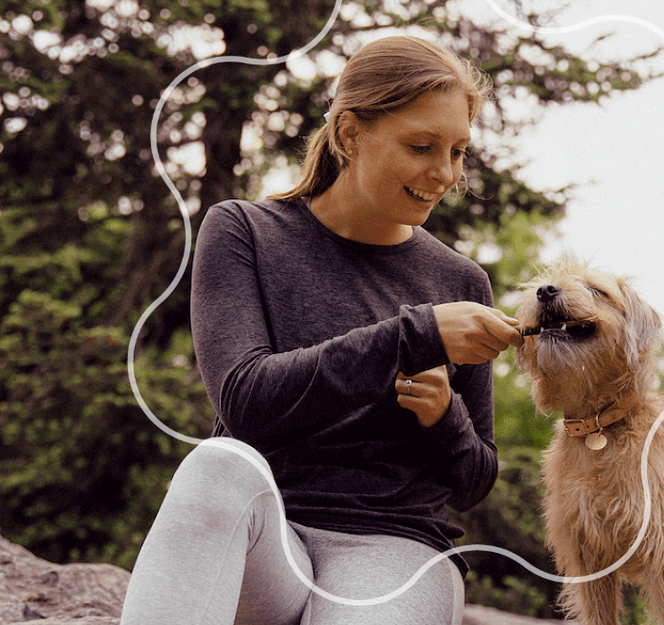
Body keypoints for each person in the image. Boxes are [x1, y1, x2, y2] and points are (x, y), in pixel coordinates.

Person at [120, 35, 524, 625]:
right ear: (350, 134)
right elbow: (245, 401)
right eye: (422, 146)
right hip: (265, 537)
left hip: (395, 551)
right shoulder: (244, 232)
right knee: (217, 465)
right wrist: (414, 336)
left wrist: (445, 418)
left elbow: (473, 481)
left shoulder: (460, 281)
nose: (445, 174)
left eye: (459, 151)